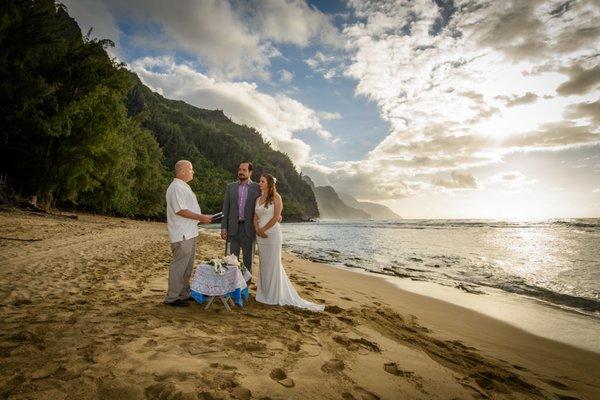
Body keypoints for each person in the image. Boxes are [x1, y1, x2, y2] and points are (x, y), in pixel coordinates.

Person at [253, 173, 325, 312]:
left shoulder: (276, 197)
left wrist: (264, 229)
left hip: (272, 235)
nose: (259, 183)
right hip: (260, 236)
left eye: (262, 181)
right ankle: (264, 294)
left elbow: (276, 217)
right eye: (259, 181)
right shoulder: (258, 199)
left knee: (274, 264)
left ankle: (274, 295)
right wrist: (257, 229)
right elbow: (255, 216)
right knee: (264, 264)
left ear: (268, 183)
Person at [165, 160, 212, 307]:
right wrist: (201, 217)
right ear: (183, 171)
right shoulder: (175, 188)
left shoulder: (184, 187)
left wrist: (203, 216)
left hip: (190, 232)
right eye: (191, 169)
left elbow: (189, 208)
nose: (193, 172)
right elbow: (180, 210)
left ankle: (184, 293)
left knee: (188, 266)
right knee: (179, 266)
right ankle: (172, 297)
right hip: (182, 234)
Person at [220, 162, 260, 277]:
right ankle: (233, 288)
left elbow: (264, 204)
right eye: (239, 169)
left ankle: (245, 289)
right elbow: (225, 209)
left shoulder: (257, 188)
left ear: (250, 172)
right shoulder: (230, 187)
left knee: (248, 262)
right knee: (231, 261)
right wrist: (223, 227)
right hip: (233, 229)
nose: (241, 172)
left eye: (244, 170)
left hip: (249, 230)